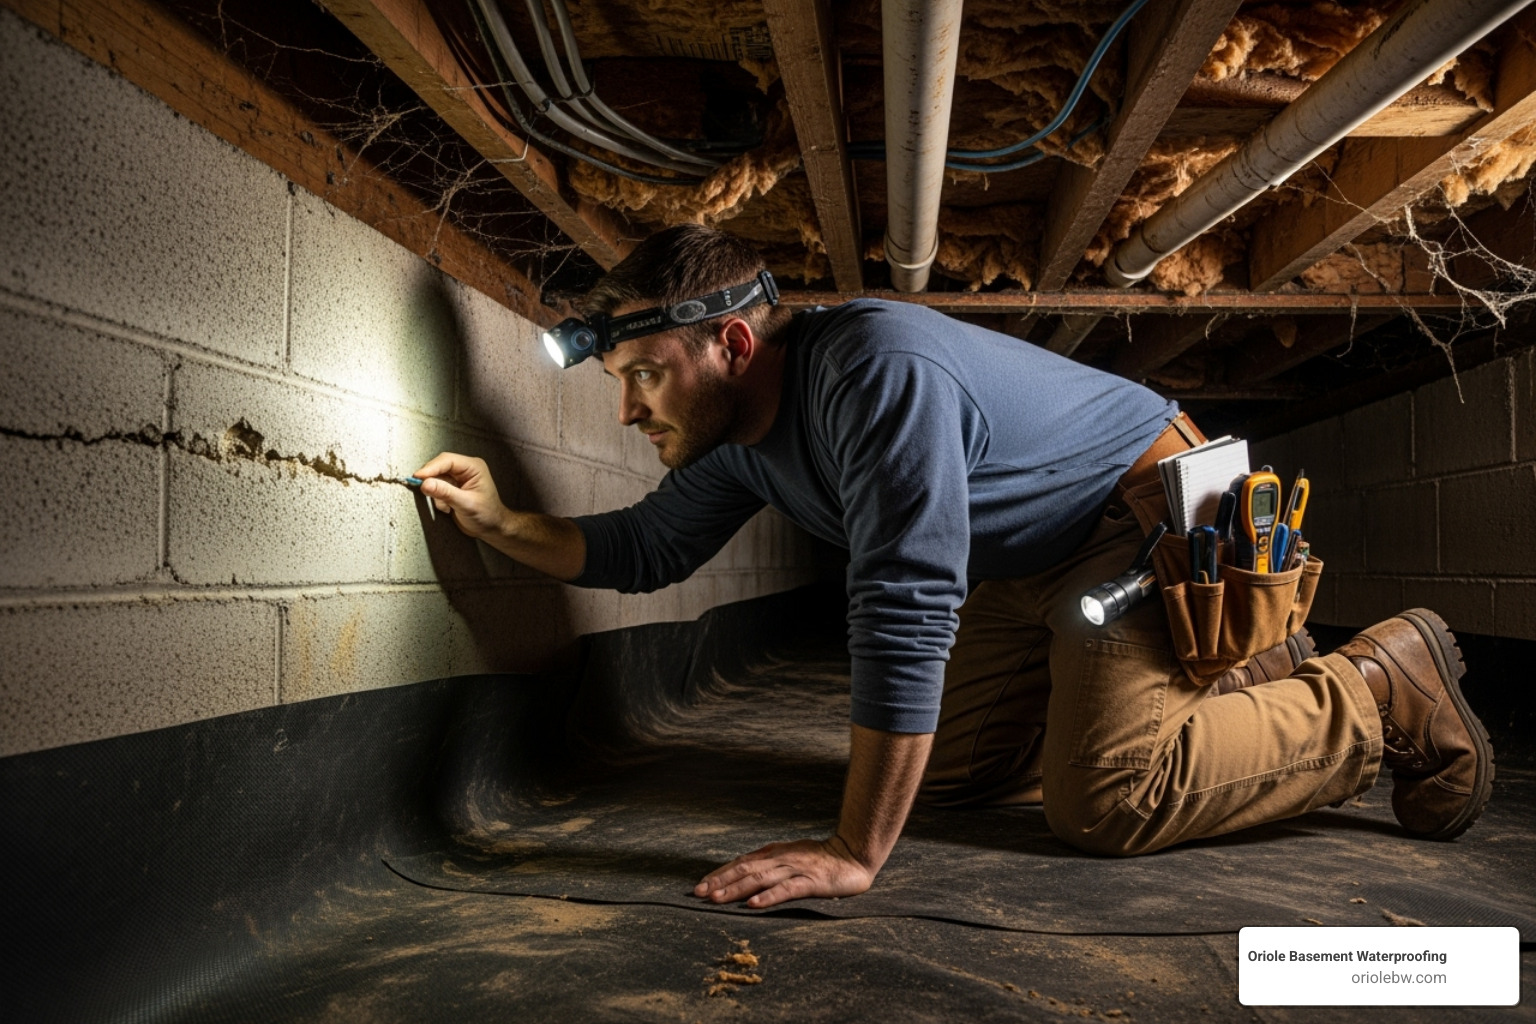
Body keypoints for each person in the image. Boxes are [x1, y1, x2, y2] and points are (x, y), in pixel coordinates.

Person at [413, 224, 1494, 911]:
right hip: (1033, 557)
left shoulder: (873, 376)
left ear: (731, 348)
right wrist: (502, 520)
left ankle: (1374, 687)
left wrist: (854, 850)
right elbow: (642, 549)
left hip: (1145, 517)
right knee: (959, 775)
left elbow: (904, 604)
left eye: (644, 375)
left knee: (1105, 801)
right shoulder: (741, 436)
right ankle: (1216, 681)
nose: (627, 406)